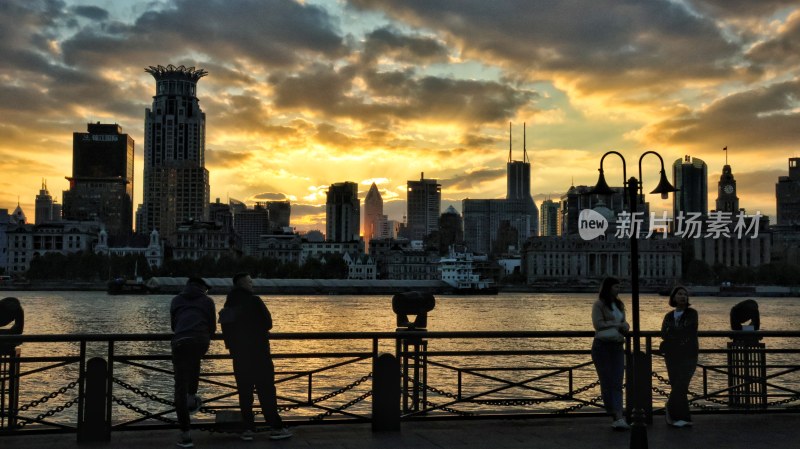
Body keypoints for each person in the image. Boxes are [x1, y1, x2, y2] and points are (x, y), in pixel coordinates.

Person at [219, 273, 292, 441]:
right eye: (249, 281)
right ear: (242, 284)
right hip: (260, 354)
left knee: (245, 393)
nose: (252, 284)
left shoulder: (228, 305)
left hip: (239, 356)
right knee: (266, 391)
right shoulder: (255, 301)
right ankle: (275, 427)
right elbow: (268, 323)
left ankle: (248, 429)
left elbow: (226, 332)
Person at [170, 277, 216, 448]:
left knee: (179, 385)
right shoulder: (207, 301)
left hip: (181, 341)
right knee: (195, 360)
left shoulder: (176, 300)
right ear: (203, 288)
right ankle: (192, 395)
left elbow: (174, 326)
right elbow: (212, 328)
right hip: (200, 341)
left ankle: (185, 433)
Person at [591, 277, 630, 430]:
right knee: (606, 382)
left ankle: (618, 416)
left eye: (619, 286)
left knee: (617, 383)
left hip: (617, 346)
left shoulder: (620, 305)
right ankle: (613, 413)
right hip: (602, 347)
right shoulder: (598, 305)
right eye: (615, 287)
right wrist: (617, 324)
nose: (618, 289)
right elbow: (598, 324)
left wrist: (625, 326)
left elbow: (623, 323)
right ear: (608, 288)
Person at [659, 285, 699, 428]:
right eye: (680, 294)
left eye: (685, 294)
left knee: (681, 384)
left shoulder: (692, 313)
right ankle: (684, 418)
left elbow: (689, 329)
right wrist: (675, 334)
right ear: (674, 297)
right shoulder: (669, 316)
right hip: (672, 355)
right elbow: (663, 333)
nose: (683, 296)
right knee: (677, 385)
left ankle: (669, 409)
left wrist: (672, 334)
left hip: (689, 354)